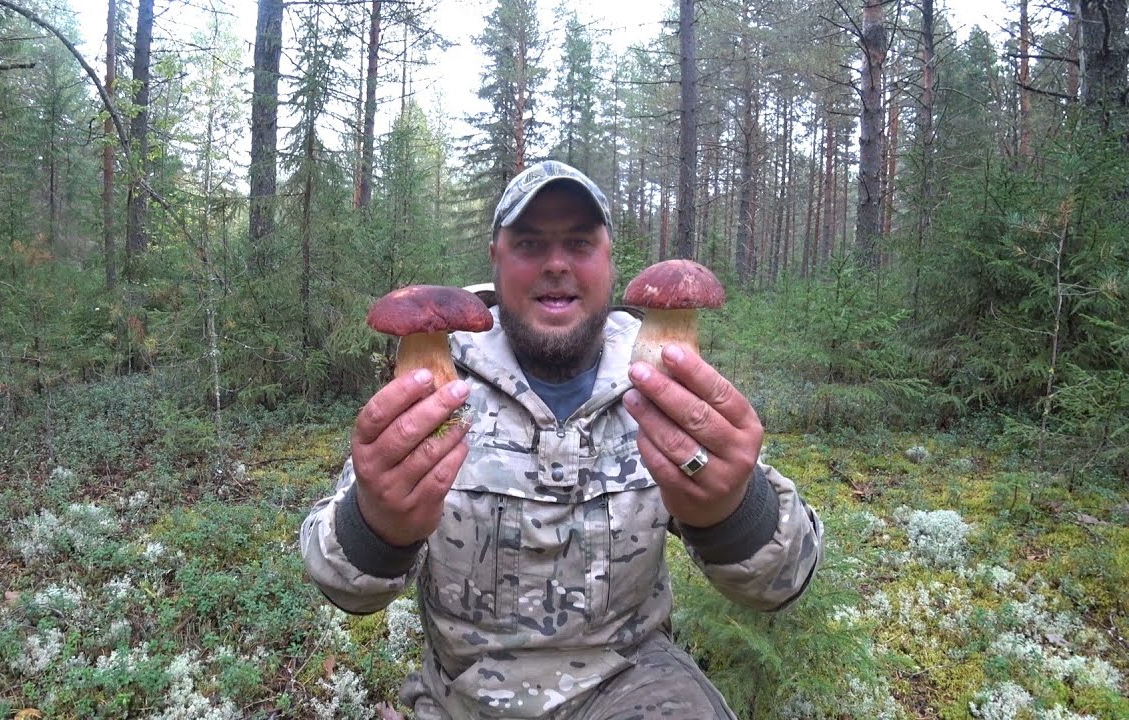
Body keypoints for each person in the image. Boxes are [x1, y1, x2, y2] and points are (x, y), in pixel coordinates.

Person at [300, 160, 824, 719]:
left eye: (579, 242)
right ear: (495, 259)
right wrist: (379, 524)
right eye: (529, 243)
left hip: (632, 681)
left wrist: (731, 510)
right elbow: (342, 585)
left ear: (610, 259)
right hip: (462, 695)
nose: (555, 264)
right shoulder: (436, 390)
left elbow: (782, 581)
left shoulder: (666, 384)